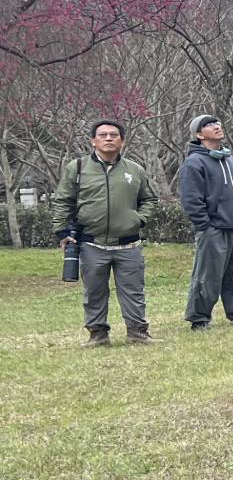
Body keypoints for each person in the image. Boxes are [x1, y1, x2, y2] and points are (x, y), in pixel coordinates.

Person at [52, 120, 157, 346]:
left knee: (133, 292)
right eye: (103, 135)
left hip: (129, 244)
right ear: (93, 141)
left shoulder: (135, 169)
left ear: (122, 140)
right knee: (94, 292)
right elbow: (62, 201)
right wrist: (62, 231)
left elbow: (148, 199)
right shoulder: (77, 168)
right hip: (92, 243)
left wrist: (139, 219)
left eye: (114, 135)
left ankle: (137, 333)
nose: (108, 138)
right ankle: (98, 335)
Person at [179, 114, 233, 329]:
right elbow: (190, 199)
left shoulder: (230, 160)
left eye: (217, 123)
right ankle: (199, 318)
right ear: (198, 134)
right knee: (208, 276)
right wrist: (205, 225)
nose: (216, 127)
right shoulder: (194, 162)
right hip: (213, 229)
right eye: (208, 125)